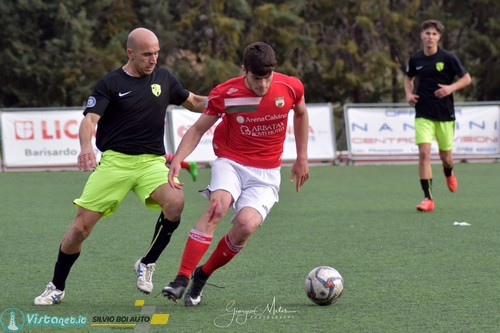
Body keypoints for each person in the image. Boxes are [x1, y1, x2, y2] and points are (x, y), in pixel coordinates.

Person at [34, 27, 207, 305]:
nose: (153, 59)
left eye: (157, 53)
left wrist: (228, 101)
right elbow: (90, 119)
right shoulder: (110, 83)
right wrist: (86, 147)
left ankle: (147, 263)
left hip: (151, 162)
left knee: (175, 203)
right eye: (147, 54)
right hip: (115, 162)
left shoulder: (164, 79)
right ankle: (57, 286)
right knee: (80, 230)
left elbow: (196, 102)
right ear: (130, 53)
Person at [161, 42, 310, 306]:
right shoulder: (226, 93)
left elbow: (300, 113)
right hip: (230, 161)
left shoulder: (290, 87)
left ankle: (201, 275)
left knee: (245, 226)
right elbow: (197, 130)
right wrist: (179, 159)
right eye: (256, 78)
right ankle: (181, 279)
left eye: (267, 78)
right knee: (218, 207)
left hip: (266, 172)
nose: (263, 85)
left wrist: (301, 157)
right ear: (244, 70)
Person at [404, 19, 471, 212]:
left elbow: (467, 78)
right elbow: (408, 78)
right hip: (423, 113)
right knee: (424, 153)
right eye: (427, 33)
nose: (430, 37)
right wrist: (408, 94)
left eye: (434, 34)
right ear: (421, 36)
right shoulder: (416, 59)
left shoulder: (448, 58)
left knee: (446, 157)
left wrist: (450, 88)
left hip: (445, 114)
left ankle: (448, 171)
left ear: (439, 37)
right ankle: (428, 198)